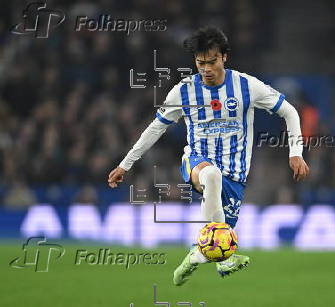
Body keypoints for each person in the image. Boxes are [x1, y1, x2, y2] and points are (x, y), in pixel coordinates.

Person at [107, 26, 309, 286]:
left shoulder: (246, 85)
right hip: (196, 161)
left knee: (217, 239)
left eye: (212, 61)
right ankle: (225, 261)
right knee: (211, 175)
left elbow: (290, 111)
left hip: (235, 174)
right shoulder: (183, 91)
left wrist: (295, 152)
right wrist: (126, 164)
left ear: (224, 57)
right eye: (200, 63)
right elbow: (156, 127)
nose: (206, 69)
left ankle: (195, 256)